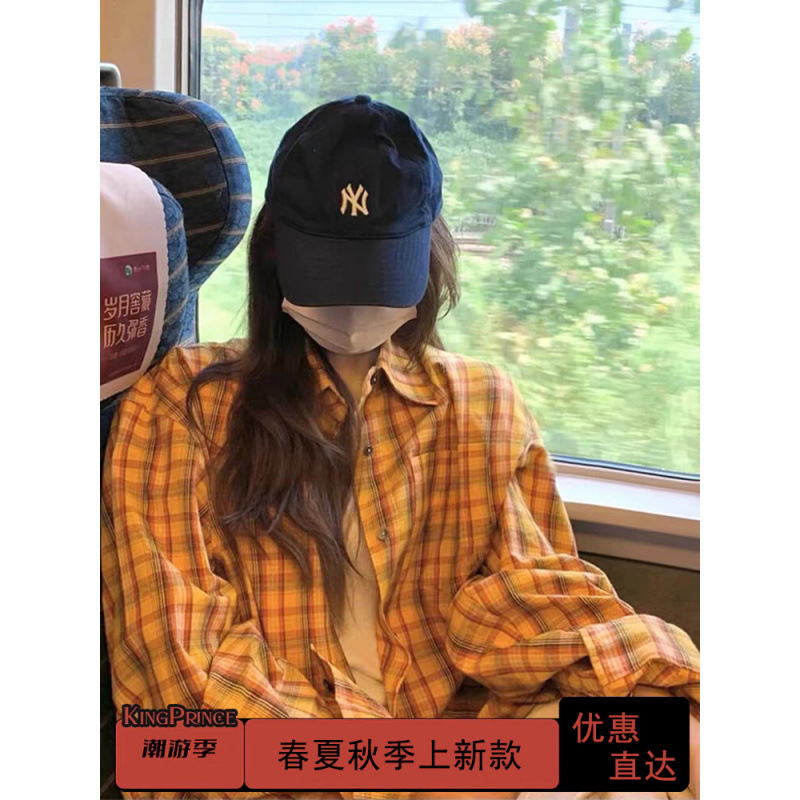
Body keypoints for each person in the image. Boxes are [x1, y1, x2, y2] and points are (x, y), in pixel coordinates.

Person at [101, 95, 700, 800]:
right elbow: (181, 683)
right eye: (329, 271)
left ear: (429, 254)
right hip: (272, 766)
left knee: (664, 747)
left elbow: (520, 597)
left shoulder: (478, 403)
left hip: (455, 748)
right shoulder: (183, 404)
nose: (354, 307)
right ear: (275, 252)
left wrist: (664, 690)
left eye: (376, 273)